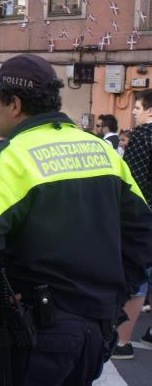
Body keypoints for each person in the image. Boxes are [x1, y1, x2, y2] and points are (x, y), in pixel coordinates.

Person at [0, 54, 152, 385]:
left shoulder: (10, 157)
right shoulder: (100, 150)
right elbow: (143, 232)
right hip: (96, 328)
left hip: (36, 330)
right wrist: (117, 294)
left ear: (14, 104)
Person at [113, 89, 152, 359]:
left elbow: (133, 182)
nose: (134, 111)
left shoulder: (142, 136)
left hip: (144, 216)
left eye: (138, 107)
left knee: (137, 277)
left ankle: (123, 342)